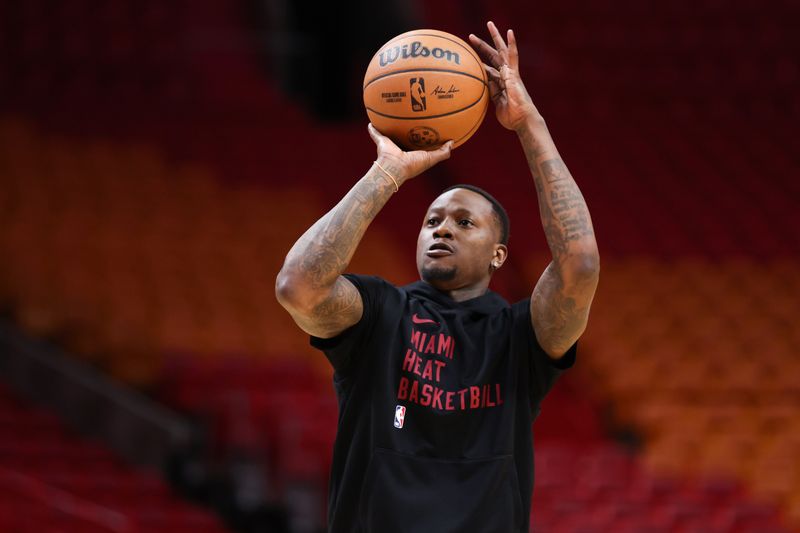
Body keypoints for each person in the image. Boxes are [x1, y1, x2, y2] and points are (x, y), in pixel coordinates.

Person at [276, 21, 599, 533]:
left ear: (499, 256)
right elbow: (298, 286)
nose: (441, 229)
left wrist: (529, 123)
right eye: (432, 220)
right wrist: (386, 174)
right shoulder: (380, 313)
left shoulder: (520, 336)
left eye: (463, 222)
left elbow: (578, 264)